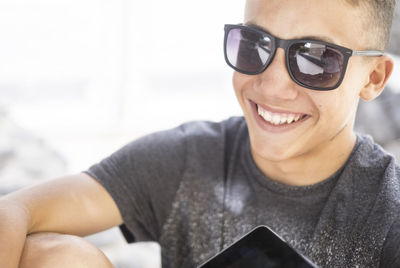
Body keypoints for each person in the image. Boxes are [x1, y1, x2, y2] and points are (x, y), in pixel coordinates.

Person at [0, 0, 398, 267]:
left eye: (315, 58)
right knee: (53, 255)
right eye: (255, 44)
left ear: (374, 76)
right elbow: (15, 211)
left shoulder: (389, 213)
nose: (273, 86)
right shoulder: (188, 160)